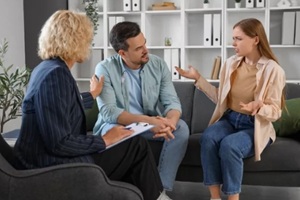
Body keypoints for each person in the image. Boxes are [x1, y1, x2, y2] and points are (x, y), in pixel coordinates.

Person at [13, 10, 170, 200]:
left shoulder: (47, 68)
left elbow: (59, 104)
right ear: (75, 41)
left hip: (45, 158)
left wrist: (92, 95)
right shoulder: (56, 75)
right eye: (87, 39)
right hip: (50, 165)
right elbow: (59, 142)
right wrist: (104, 140)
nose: (89, 44)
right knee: (136, 146)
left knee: (130, 145)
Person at [176, 18, 286, 200]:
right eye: (233, 38)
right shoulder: (230, 64)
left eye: (238, 38)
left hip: (254, 125)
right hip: (230, 119)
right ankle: (214, 197)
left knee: (230, 146)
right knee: (209, 137)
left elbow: (276, 111)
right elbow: (221, 98)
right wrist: (198, 78)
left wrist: (259, 108)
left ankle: (233, 198)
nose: (233, 43)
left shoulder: (273, 70)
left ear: (256, 40)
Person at [93, 21, 189, 194]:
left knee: (181, 129)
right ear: (122, 53)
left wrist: (170, 122)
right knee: (118, 134)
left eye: (144, 43)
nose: (146, 50)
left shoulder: (158, 64)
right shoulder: (104, 69)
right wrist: (150, 121)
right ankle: (122, 191)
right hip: (118, 124)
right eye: (138, 48)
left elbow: (172, 101)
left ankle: (160, 191)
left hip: (148, 125)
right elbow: (109, 112)